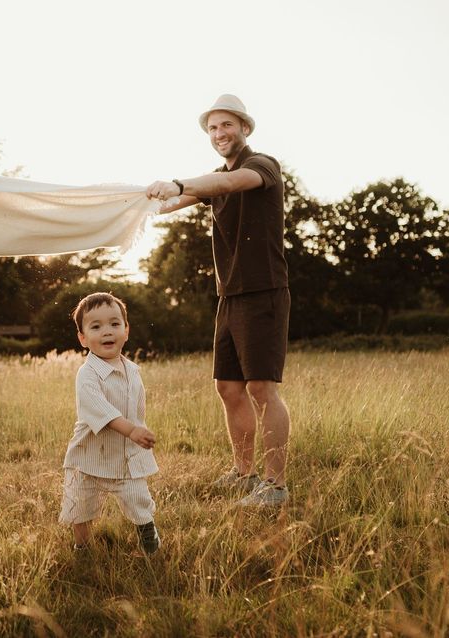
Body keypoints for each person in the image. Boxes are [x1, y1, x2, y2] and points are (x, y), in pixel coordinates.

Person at [146, 94, 291, 507]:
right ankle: (244, 475)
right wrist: (135, 203)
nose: (219, 134)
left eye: (226, 125)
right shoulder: (214, 177)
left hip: (263, 290)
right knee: (228, 387)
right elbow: (174, 203)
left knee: (262, 388)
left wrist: (177, 182)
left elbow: (227, 183)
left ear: (244, 128)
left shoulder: (262, 165)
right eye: (212, 128)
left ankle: (275, 486)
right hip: (229, 295)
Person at [59, 292, 161, 554]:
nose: (107, 332)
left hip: (125, 455)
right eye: (96, 326)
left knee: (138, 498)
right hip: (89, 456)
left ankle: (147, 535)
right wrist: (133, 430)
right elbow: (100, 411)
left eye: (114, 324)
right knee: (81, 505)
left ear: (126, 331)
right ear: (82, 338)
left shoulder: (133, 371)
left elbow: (136, 409)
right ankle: (82, 545)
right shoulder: (88, 374)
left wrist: (138, 430)